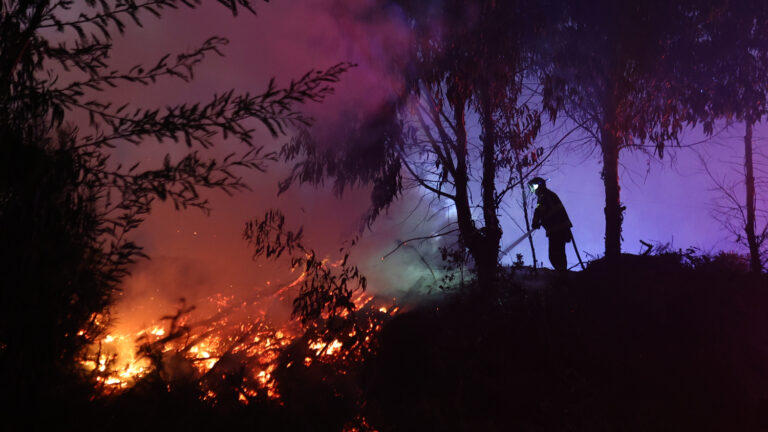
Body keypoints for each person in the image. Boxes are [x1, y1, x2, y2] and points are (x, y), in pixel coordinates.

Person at [529, 177, 572, 272]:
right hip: (561, 229)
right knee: (559, 254)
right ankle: (563, 274)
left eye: (534, 187)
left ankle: (562, 276)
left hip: (557, 230)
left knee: (554, 255)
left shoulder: (544, 196)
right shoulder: (549, 195)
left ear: (540, 186)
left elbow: (539, 211)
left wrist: (535, 222)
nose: (533, 190)